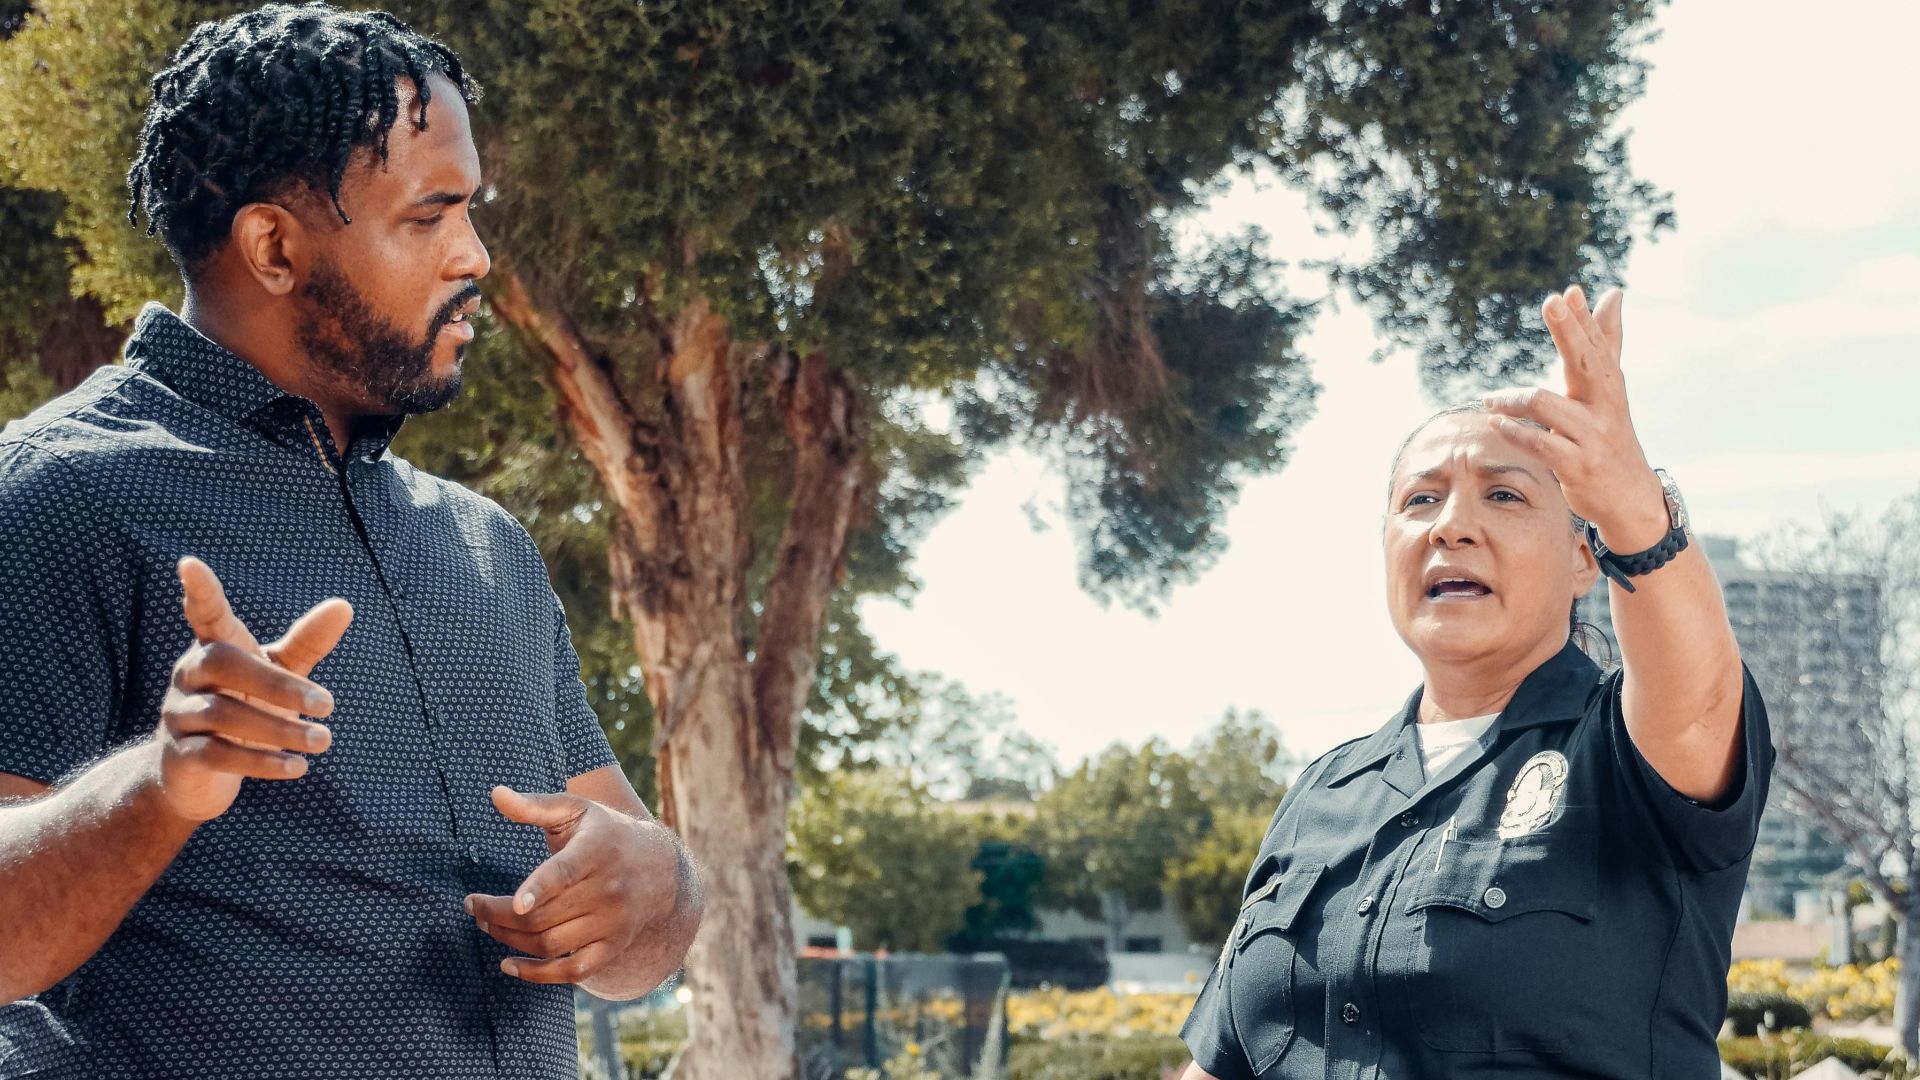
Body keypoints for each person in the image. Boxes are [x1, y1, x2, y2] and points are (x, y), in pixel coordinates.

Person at [0, 6, 700, 1077]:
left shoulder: (488, 547)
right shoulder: (56, 494)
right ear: (275, 246)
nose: (477, 255)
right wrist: (163, 782)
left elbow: (633, 924)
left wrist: (655, 890)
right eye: (431, 216)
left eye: (473, 209)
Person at [1178, 285, 1772, 1079]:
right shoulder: (1323, 792)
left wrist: (1631, 505)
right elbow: (1225, 1058)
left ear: (1581, 557)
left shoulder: (1628, 753)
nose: (1451, 526)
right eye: (1420, 500)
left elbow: (1698, 702)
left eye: (1504, 494)